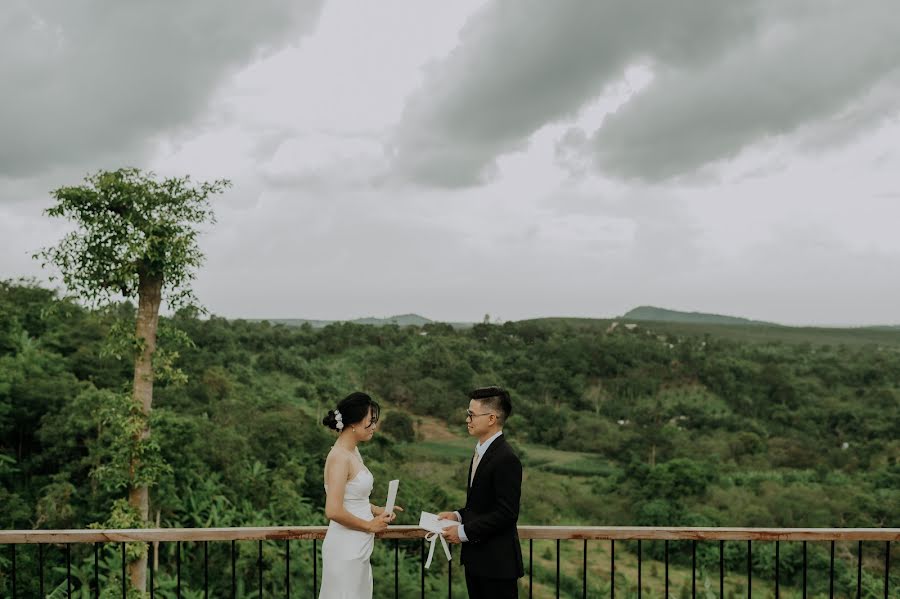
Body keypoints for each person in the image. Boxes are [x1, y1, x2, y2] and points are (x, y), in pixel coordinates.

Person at [439, 386, 524, 599]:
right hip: (477, 562)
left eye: (471, 415)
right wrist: (458, 516)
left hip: (497, 566)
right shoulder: (480, 451)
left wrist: (462, 532)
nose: (467, 420)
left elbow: (506, 513)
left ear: (491, 418)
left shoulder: (506, 458)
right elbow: (483, 503)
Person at [319, 392, 401, 599]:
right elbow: (333, 509)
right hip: (345, 547)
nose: (374, 426)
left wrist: (376, 509)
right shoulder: (339, 457)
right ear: (354, 423)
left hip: (359, 546)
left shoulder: (353, 452)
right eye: (370, 421)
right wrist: (369, 525)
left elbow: (353, 497)